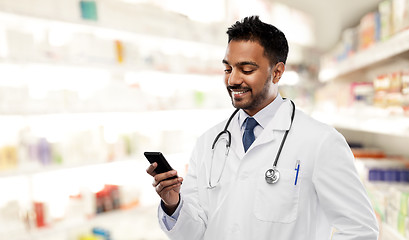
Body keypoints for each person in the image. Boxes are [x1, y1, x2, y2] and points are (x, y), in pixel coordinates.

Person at [146, 16, 379, 239]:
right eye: (228, 69)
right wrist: (172, 203)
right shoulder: (209, 142)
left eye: (246, 70)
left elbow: (360, 229)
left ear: (277, 72)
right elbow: (192, 233)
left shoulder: (321, 142)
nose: (233, 80)